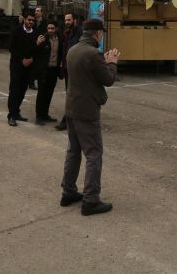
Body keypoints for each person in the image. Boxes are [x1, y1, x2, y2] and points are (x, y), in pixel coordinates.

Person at [60, 19, 120, 216]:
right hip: (87, 111)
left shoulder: (73, 49)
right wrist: (111, 63)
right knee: (94, 154)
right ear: (97, 34)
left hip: (71, 108)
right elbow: (108, 80)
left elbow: (86, 74)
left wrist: (102, 60)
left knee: (73, 151)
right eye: (101, 33)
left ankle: (68, 191)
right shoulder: (93, 54)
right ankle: (91, 200)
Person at [7, 12, 39, 126]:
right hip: (17, 65)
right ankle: (11, 115)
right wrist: (22, 59)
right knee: (14, 90)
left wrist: (31, 60)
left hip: (28, 67)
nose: (30, 22)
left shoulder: (35, 34)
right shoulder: (17, 31)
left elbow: (34, 50)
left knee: (22, 90)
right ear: (25, 20)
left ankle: (16, 112)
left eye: (32, 21)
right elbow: (11, 48)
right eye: (29, 20)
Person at [55, 12, 83, 132]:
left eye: (69, 20)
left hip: (76, 70)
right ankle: (71, 119)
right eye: (65, 20)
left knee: (73, 95)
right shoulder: (66, 32)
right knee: (70, 94)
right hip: (67, 69)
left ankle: (67, 120)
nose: (66, 22)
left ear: (75, 20)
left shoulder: (80, 33)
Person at [34, 21, 65, 124]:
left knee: (49, 93)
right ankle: (39, 116)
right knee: (41, 93)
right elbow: (35, 52)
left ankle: (45, 114)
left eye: (52, 28)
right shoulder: (43, 39)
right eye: (48, 28)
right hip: (44, 70)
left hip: (54, 70)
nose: (50, 30)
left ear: (56, 29)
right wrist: (37, 44)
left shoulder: (60, 39)